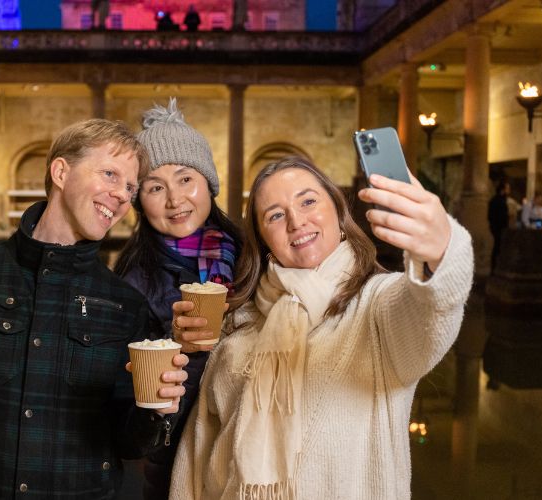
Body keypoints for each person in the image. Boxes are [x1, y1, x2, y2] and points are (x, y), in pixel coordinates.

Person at [0, 119, 190, 498]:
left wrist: (156, 409)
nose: (122, 196)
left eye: (130, 187)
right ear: (61, 172)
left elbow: (128, 443)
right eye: (110, 174)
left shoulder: (125, 303)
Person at [170, 156, 474, 499]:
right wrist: (188, 355)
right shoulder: (239, 323)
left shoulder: (376, 305)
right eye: (275, 215)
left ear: (338, 212)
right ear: (263, 239)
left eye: (308, 201)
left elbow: (431, 312)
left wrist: (441, 253)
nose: (296, 221)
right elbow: (197, 453)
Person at [114, 98, 242, 499]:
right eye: (155, 187)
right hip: (179, 459)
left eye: (186, 179)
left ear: (209, 183)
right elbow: (126, 403)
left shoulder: (252, 255)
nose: (174, 199)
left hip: (257, 452)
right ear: (139, 201)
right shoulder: (134, 279)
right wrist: (174, 348)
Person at [488, 181, 511, 271]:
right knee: (498, 248)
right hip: (499, 228)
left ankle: (495, 268)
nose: (509, 191)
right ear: (503, 190)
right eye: (507, 188)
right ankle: (496, 268)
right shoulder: (499, 201)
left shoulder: (495, 200)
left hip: (496, 227)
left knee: (498, 247)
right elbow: (499, 216)